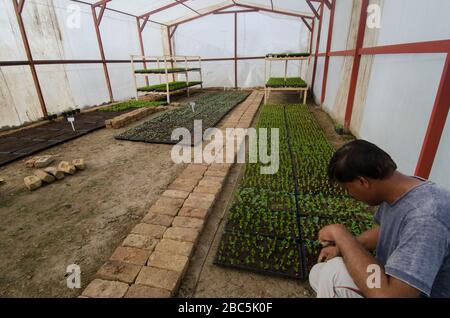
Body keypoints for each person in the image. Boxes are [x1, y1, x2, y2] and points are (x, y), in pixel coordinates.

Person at [308, 140, 450, 298]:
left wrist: (340, 234)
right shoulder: (402, 190)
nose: (350, 195)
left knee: (332, 272)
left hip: (394, 293)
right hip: (388, 278)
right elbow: (383, 231)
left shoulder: (426, 217)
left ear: (363, 182)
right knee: (318, 273)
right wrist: (340, 248)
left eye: (347, 188)